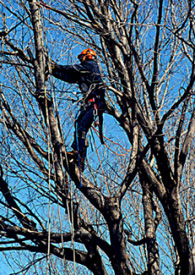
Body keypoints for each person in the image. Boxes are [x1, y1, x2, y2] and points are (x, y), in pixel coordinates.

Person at [47, 49, 105, 171]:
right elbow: (70, 77)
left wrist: (56, 66)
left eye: (81, 58)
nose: (80, 60)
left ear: (87, 56)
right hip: (90, 103)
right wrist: (53, 71)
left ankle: (78, 155)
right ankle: (78, 156)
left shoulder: (91, 65)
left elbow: (74, 69)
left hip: (93, 102)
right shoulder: (84, 71)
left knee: (81, 127)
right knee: (79, 126)